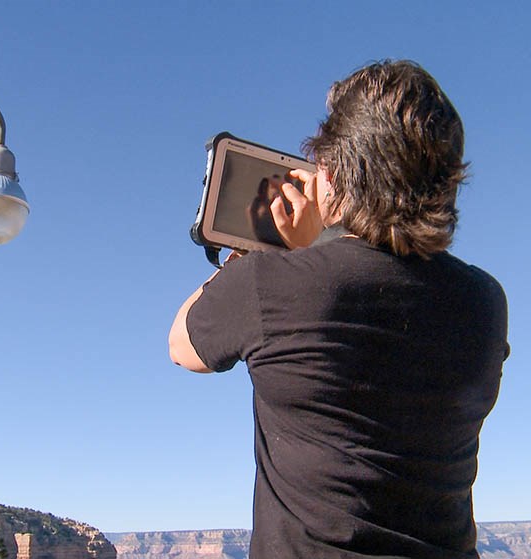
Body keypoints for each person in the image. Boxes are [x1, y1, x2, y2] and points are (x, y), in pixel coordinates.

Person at [168, 60, 509, 559]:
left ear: (337, 172)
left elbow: (183, 344)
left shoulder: (271, 284)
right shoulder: (484, 301)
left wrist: (269, 254)